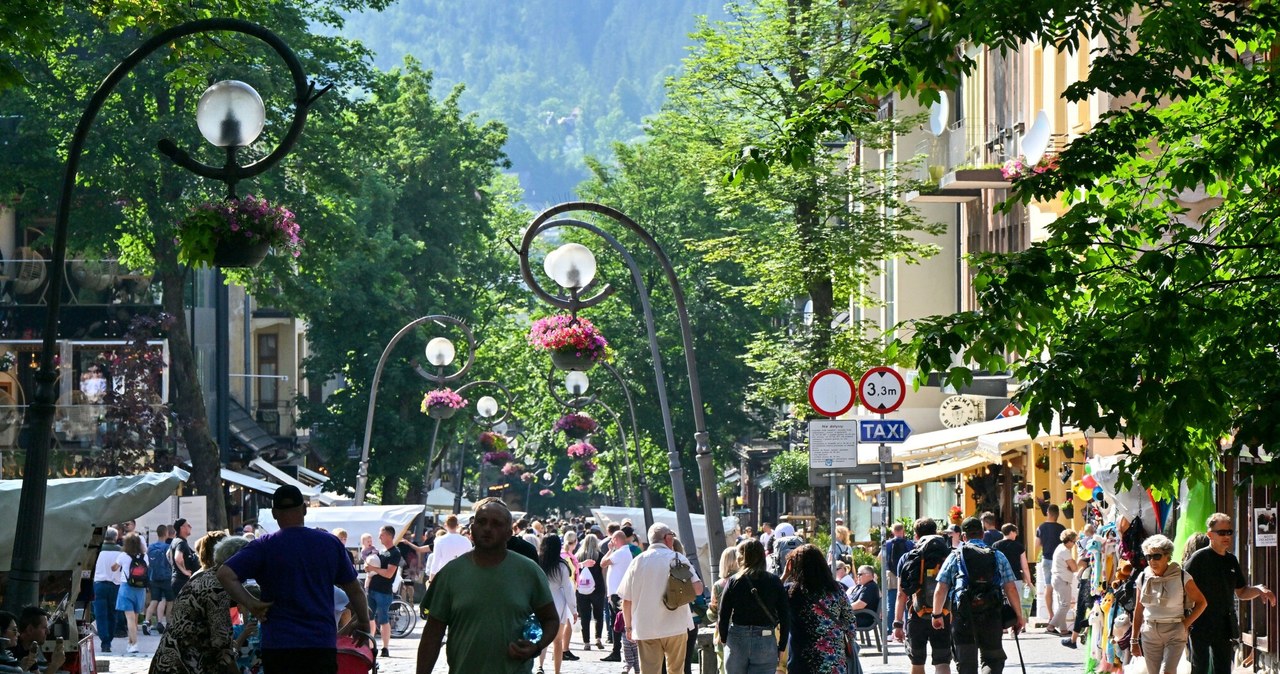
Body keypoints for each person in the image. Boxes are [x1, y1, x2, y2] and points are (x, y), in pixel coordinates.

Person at [218, 485, 370, 674]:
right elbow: (354, 589)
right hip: (320, 644)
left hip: (279, 645)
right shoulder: (329, 543)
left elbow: (225, 574)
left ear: (274, 513)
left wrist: (251, 603)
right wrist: (364, 621)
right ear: (304, 509)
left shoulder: (264, 546)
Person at [416, 497, 558, 674]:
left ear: (509, 532)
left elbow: (551, 619)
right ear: (472, 528)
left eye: (496, 524)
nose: (487, 529)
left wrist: (536, 647)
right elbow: (432, 634)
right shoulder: (450, 574)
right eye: (481, 522)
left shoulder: (529, 571)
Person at [1184, 513, 1277, 674]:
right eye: (1221, 532)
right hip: (1201, 622)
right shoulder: (1199, 558)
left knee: (1224, 669)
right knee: (1199, 668)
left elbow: (1241, 592)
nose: (1226, 536)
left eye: (1229, 532)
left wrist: (1258, 589)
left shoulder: (1231, 560)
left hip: (1224, 623)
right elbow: (1182, 586)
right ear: (1210, 535)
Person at [931, 517, 1024, 674]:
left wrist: (937, 614)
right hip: (992, 615)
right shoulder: (997, 555)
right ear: (982, 534)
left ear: (964, 537)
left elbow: (941, 588)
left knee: (966, 664)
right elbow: (1011, 588)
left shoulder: (955, 556)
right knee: (992, 660)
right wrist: (1019, 616)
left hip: (963, 616)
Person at [149, 536, 252, 674]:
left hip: (169, 660)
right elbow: (221, 643)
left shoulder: (204, 577)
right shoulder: (218, 587)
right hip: (183, 665)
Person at [618, 522, 704, 674]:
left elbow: (626, 599)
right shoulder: (678, 559)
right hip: (676, 625)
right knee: (676, 671)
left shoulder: (637, 561)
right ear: (667, 538)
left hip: (647, 627)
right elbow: (698, 589)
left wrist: (628, 627)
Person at [1130, 534, 1207, 674]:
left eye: (1157, 556)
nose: (1152, 561)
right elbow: (1138, 609)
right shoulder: (1143, 577)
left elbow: (1202, 602)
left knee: (1168, 672)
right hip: (1150, 631)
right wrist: (1133, 640)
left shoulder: (1182, 576)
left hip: (1174, 630)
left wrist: (1185, 624)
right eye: (1148, 557)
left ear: (1167, 556)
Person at [715, 539, 788, 674]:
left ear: (742, 557)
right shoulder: (774, 581)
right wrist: (782, 645)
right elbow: (785, 616)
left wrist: (724, 639)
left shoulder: (734, 581)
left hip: (737, 638)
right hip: (765, 639)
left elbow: (723, 613)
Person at [781, 544, 854, 674]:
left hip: (802, 659)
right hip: (833, 658)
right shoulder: (837, 589)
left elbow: (771, 597)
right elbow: (850, 621)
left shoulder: (792, 591)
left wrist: (785, 575)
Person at [893, 517, 953, 674]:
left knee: (917, 662)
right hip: (943, 613)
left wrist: (898, 623)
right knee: (942, 662)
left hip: (916, 614)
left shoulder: (908, 557)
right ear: (935, 532)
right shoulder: (948, 554)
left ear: (916, 535)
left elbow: (901, 594)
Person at [536, 534, 578, 674]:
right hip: (558, 602)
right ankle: (557, 671)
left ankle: (539, 666)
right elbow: (568, 589)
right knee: (557, 641)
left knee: (542, 637)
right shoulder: (562, 565)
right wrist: (573, 609)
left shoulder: (537, 563)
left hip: (540, 601)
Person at [600, 529, 641, 663]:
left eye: (612, 540)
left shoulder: (620, 552)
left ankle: (618, 651)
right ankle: (618, 650)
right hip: (617, 593)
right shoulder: (624, 552)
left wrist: (610, 550)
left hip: (617, 594)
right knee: (617, 623)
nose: (610, 542)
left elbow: (603, 563)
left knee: (618, 624)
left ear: (616, 540)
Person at [362, 524, 401, 658]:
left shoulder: (395, 553)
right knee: (370, 618)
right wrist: (369, 569)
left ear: (389, 536)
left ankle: (385, 648)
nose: (379, 537)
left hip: (384, 591)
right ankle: (370, 646)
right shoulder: (381, 551)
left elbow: (389, 574)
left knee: (383, 619)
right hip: (372, 589)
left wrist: (372, 568)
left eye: (382, 534)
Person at [706, 546, 741, 672]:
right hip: (743, 633)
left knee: (724, 668)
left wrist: (710, 609)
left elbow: (713, 615)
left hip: (722, 634)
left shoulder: (718, 586)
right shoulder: (746, 582)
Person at [114, 532, 148, 654]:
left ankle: (134, 644)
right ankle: (130, 643)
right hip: (140, 589)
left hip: (126, 587)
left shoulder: (123, 555)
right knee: (135, 617)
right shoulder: (144, 556)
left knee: (129, 618)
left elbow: (114, 568)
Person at [7, 606, 65, 674]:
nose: (48, 632)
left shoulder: (29, 649)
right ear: (30, 629)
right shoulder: (11, 649)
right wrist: (55, 664)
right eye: (44, 628)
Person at [92, 526, 123, 654]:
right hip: (115, 585)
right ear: (116, 537)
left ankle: (104, 640)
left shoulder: (97, 551)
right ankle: (108, 640)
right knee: (112, 614)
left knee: (100, 615)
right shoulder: (120, 551)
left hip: (99, 584)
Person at [881, 521, 914, 638]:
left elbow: (881, 558)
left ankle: (890, 631)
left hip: (891, 575)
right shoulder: (910, 543)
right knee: (905, 601)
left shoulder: (887, 544)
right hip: (906, 575)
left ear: (892, 531)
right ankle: (905, 628)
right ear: (903, 530)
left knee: (891, 602)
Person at [575, 533, 607, 652]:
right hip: (597, 589)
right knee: (599, 615)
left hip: (581, 590)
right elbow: (604, 574)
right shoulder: (600, 556)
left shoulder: (578, 556)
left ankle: (586, 642)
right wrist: (606, 588)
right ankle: (598, 638)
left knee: (585, 616)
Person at [1035, 505, 1066, 626]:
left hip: (1046, 559)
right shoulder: (1062, 528)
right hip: (1059, 560)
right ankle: (1059, 615)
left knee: (1048, 587)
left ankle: (1051, 615)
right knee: (1060, 587)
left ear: (1048, 513)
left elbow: (1037, 544)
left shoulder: (1041, 527)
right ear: (1058, 514)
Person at [142, 524, 172, 636]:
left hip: (153, 577)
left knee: (154, 600)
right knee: (168, 600)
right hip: (166, 577)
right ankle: (164, 623)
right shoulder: (167, 547)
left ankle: (146, 621)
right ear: (166, 534)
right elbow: (170, 562)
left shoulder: (150, 547)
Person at [1047, 529, 1079, 635]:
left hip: (1057, 578)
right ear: (1069, 540)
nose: (1074, 544)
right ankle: (1051, 626)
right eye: (1074, 542)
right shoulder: (1065, 551)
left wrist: (1071, 566)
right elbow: (1074, 568)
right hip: (1062, 580)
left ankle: (1063, 629)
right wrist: (1073, 564)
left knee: (1062, 605)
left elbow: (1072, 567)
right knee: (1065, 605)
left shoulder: (1060, 548)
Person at [991, 524, 1032, 602]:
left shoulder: (995, 545)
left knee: (1001, 602)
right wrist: (1029, 581)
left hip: (1000, 578)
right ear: (1011, 532)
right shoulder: (1019, 546)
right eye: (1015, 532)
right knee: (1016, 603)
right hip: (1016, 578)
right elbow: (1025, 566)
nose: (1016, 535)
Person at [425, 514, 471, 583]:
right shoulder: (466, 541)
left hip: (444, 575)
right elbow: (470, 560)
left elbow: (435, 561)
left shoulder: (439, 540)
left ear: (445, 525)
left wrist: (431, 580)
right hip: (461, 575)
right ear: (457, 525)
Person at [169, 518, 198, 597]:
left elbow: (168, 554)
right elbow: (178, 558)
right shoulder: (181, 543)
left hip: (176, 580)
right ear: (182, 528)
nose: (190, 527)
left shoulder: (175, 540)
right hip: (182, 581)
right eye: (188, 525)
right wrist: (184, 571)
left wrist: (175, 568)